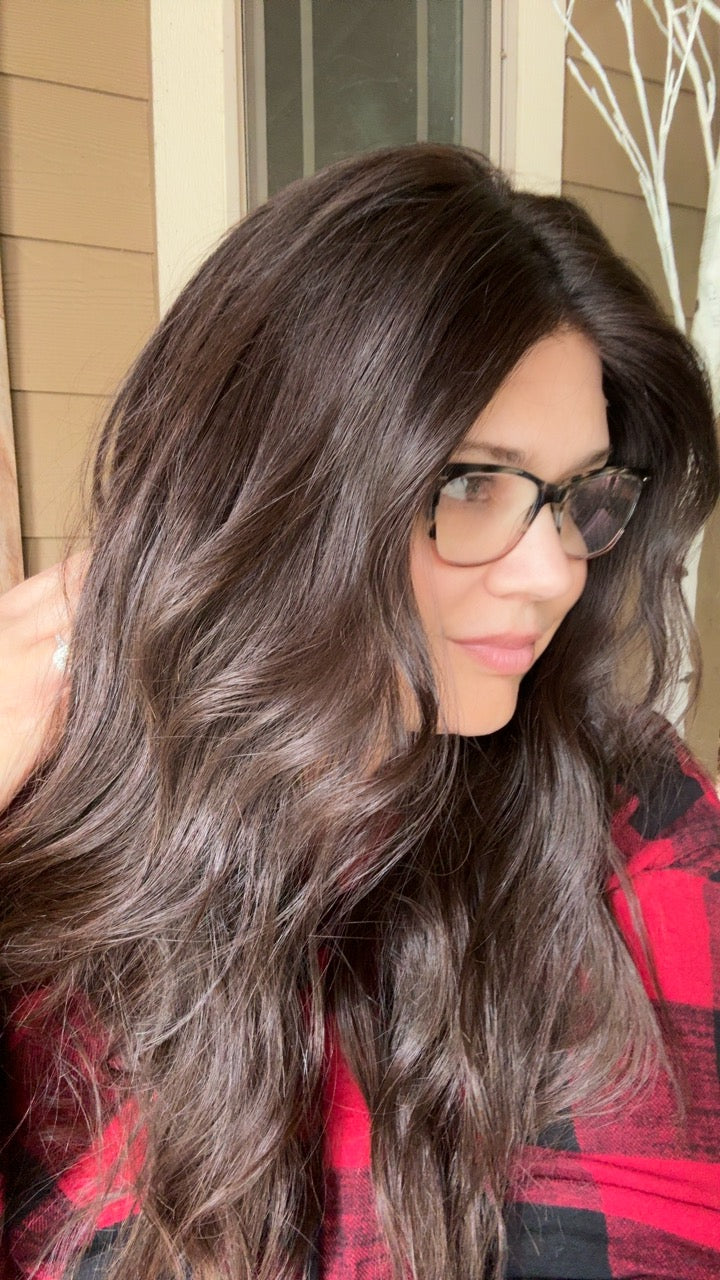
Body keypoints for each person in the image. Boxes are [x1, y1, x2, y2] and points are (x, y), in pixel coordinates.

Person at [0, 143, 718, 1280]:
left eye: (581, 494)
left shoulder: (635, 823)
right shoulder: (59, 855)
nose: (553, 572)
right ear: (271, 492)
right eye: (470, 483)